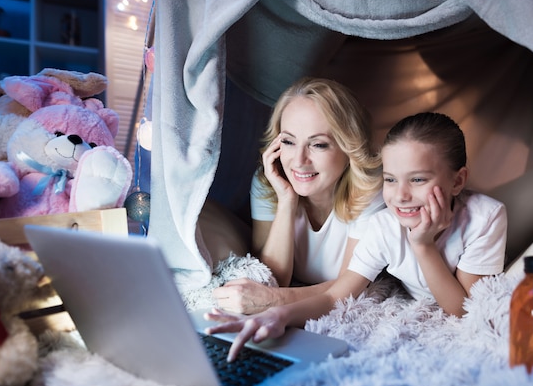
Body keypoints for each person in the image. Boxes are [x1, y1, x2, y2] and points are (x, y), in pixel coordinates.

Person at [205, 112, 507, 361]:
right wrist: (279, 316)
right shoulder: (383, 226)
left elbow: (464, 310)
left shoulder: (484, 218)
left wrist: (423, 245)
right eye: (390, 179)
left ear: (458, 180)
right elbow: (337, 295)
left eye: (417, 179)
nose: (400, 196)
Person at [212, 77, 385, 314]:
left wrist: (274, 300)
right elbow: (272, 278)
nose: (299, 161)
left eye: (319, 145)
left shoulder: (371, 191)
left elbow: (350, 288)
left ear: (349, 147)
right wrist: (286, 201)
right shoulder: (269, 182)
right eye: (289, 141)